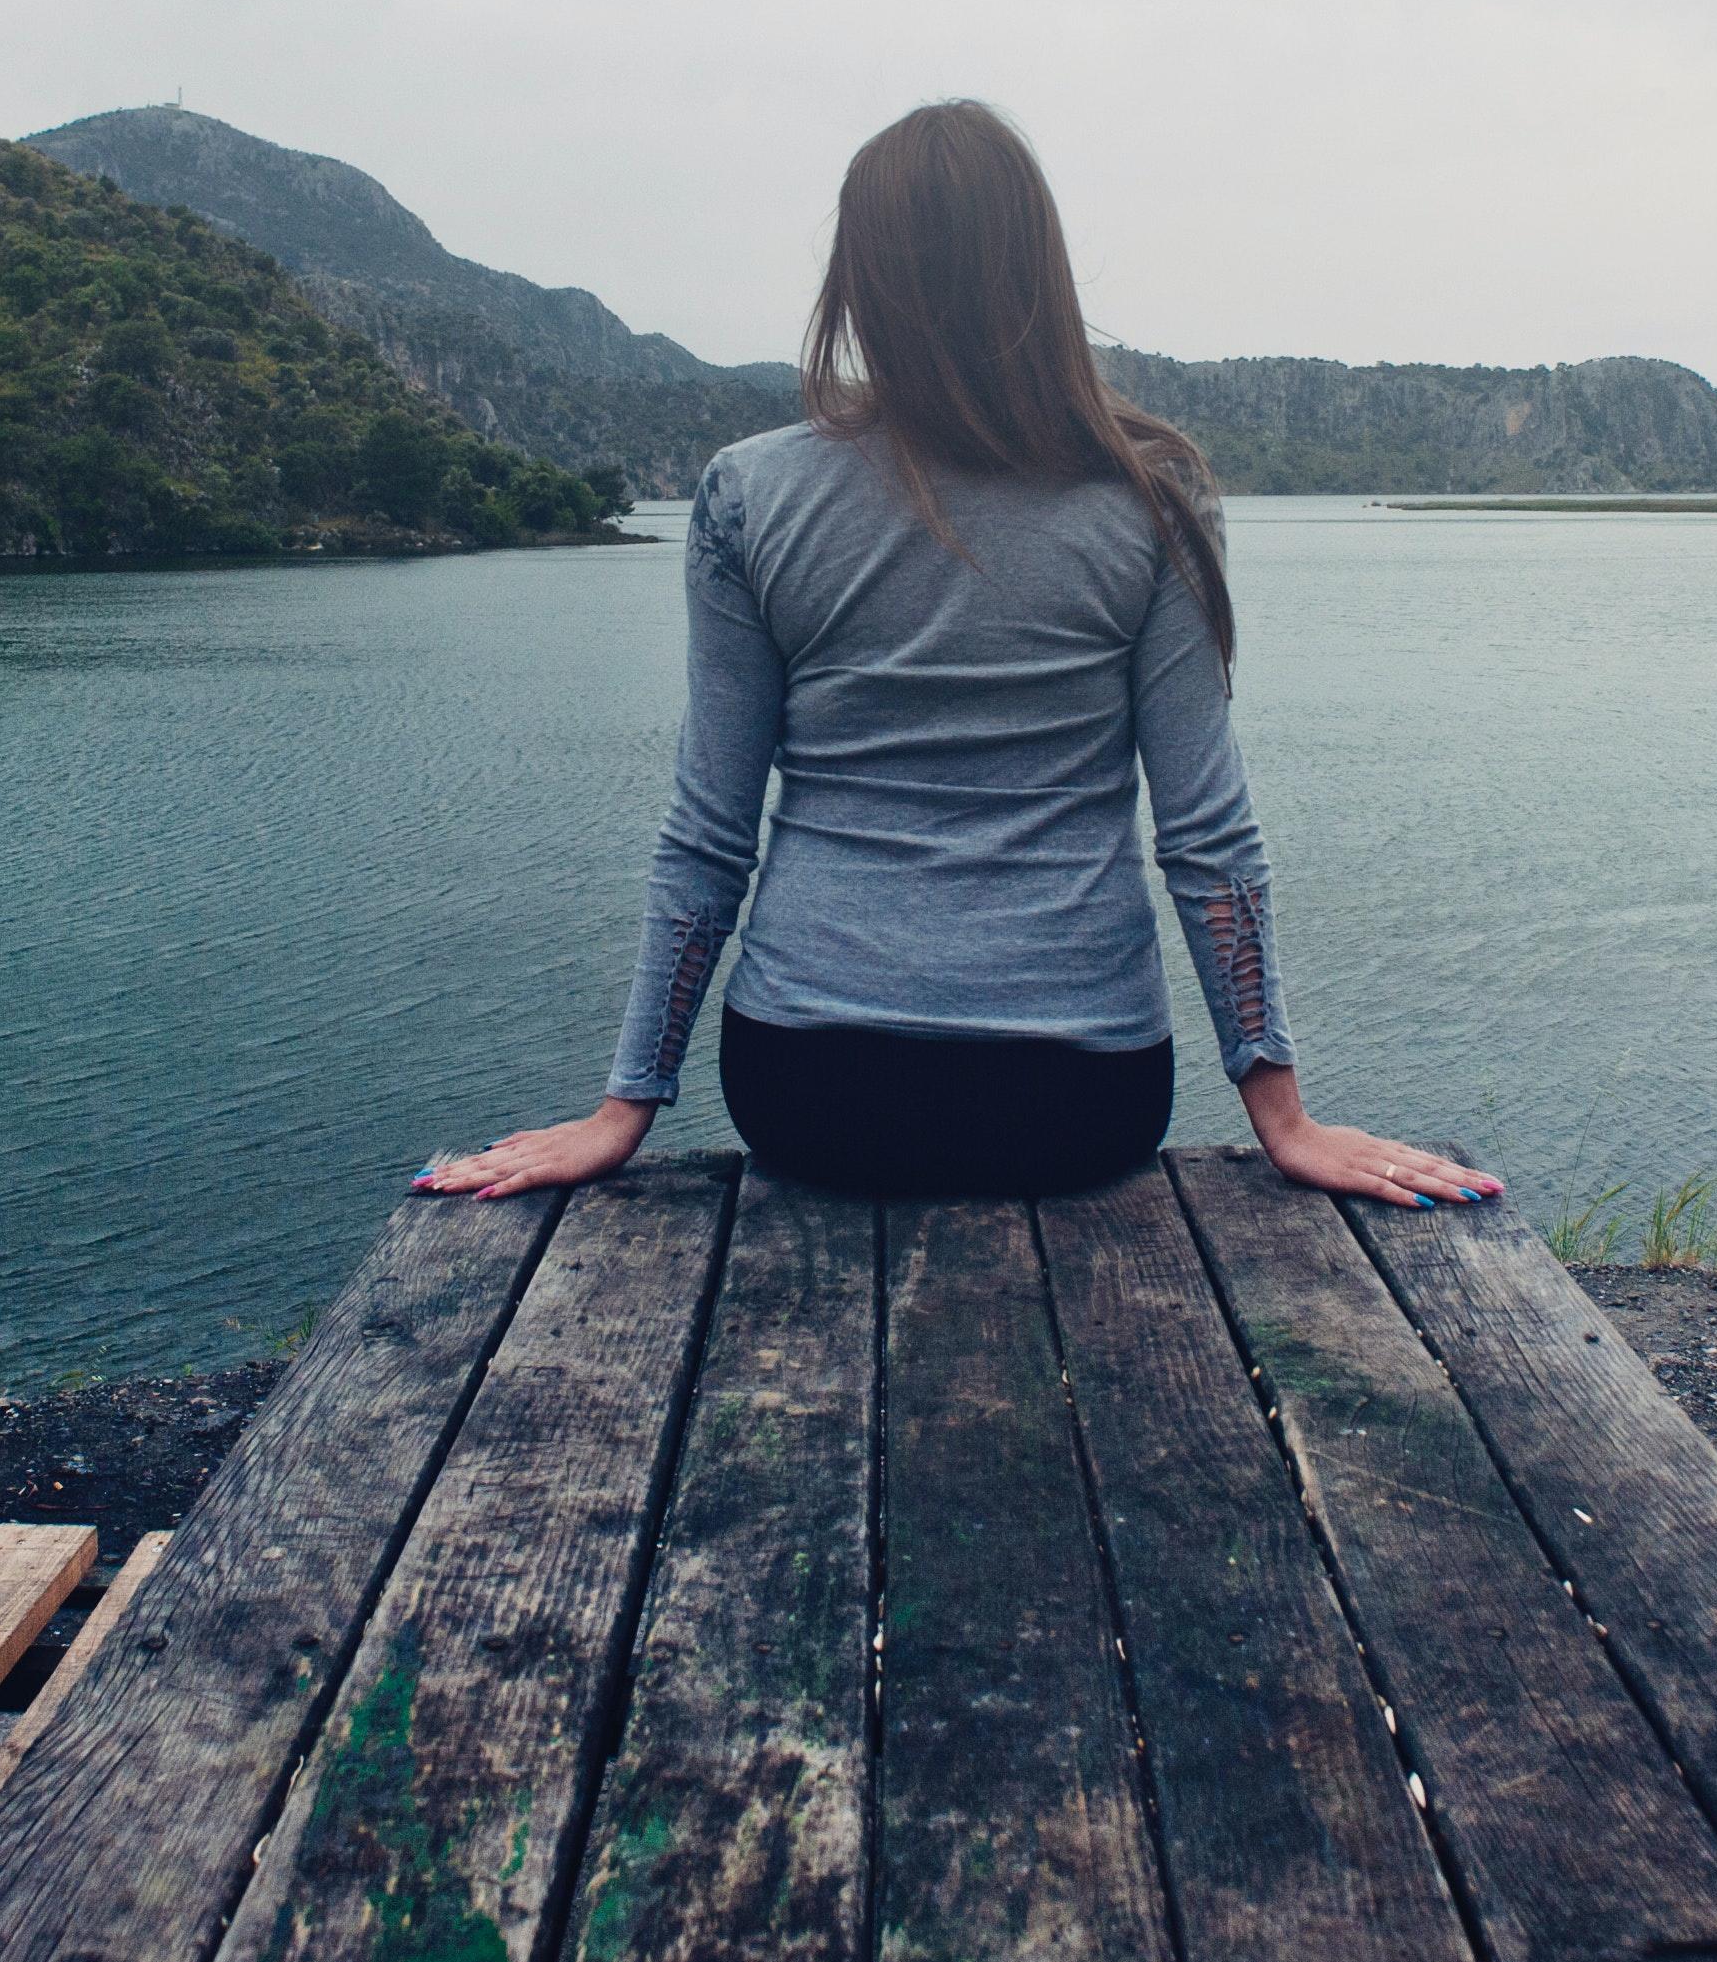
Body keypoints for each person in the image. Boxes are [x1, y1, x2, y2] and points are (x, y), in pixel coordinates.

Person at [416, 102, 1500, 1209]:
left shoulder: (750, 494)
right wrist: (1282, 1115)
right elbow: (1207, 836)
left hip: (804, 1089)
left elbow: (708, 828)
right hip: (1081, 1101)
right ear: (1035, 268)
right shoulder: (1152, 502)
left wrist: (623, 1105)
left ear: (859, 278)